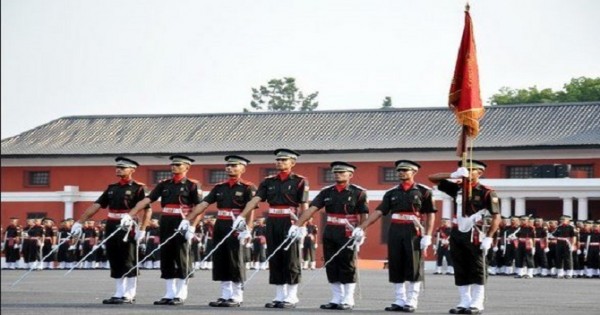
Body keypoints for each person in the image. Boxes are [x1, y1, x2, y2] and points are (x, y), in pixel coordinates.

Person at [354, 160, 435, 313]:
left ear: (414, 172)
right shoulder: (391, 193)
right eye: (399, 170)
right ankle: (399, 300)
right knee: (396, 264)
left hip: (414, 230)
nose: (401, 173)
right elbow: (378, 212)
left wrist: (428, 235)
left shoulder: (424, 191)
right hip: (396, 229)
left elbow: (430, 214)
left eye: (405, 170)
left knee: (413, 266)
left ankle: (411, 301)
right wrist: (362, 227)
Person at [235, 148, 309, 309]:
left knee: (291, 258)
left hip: (291, 221)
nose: (279, 162)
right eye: (278, 160)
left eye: (283, 160)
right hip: (273, 221)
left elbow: (304, 206)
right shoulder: (268, 181)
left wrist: (302, 226)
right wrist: (242, 216)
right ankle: (279, 295)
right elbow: (255, 200)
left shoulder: (299, 181)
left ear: (292, 163)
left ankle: (291, 296)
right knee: (275, 257)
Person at [179, 155, 257, 308]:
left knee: (235, 259)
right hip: (221, 224)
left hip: (236, 224)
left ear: (243, 168)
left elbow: (252, 209)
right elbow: (203, 204)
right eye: (228, 165)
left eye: (234, 165)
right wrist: (187, 219)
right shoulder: (219, 187)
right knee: (221, 258)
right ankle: (225, 295)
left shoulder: (248, 187)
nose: (230, 168)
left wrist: (248, 228)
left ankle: (236, 296)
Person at [124, 155, 202, 306]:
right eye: (173, 164)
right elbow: (148, 200)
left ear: (187, 167)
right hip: (166, 221)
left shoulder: (192, 185)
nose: (174, 167)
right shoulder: (164, 184)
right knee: (166, 256)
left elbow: (199, 208)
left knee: (181, 256)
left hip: (182, 221)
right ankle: (169, 292)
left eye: (178, 165)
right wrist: (131, 214)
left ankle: (181, 293)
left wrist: (192, 226)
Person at [70, 157, 149, 304]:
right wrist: (79, 222)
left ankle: (130, 293)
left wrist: (143, 229)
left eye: (123, 168)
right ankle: (119, 292)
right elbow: (97, 205)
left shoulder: (138, 188)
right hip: (112, 224)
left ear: (132, 170)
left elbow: (147, 210)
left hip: (128, 226)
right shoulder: (112, 188)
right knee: (115, 257)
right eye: (117, 167)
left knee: (128, 258)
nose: (118, 169)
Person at [290, 161, 368, 310]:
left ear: (350, 175)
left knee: (347, 264)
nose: (338, 175)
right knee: (331, 264)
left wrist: (362, 232)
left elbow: (363, 215)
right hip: (331, 230)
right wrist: (298, 224)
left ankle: (348, 299)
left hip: (348, 231)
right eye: (336, 172)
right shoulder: (327, 192)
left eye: (342, 172)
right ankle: (336, 298)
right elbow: (312, 209)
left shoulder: (358, 193)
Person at [428, 159, 500, 315]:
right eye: (464, 168)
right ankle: (464, 301)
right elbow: (432, 178)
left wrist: (489, 237)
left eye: (471, 169)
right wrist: (453, 174)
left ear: (479, 172)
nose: (466, 171)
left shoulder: (486, 192)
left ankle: (477, 303)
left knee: (477, 267)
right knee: (460, 266)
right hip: (458, 231)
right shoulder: (458, 188)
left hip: (475, 233)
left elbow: (496, 217)